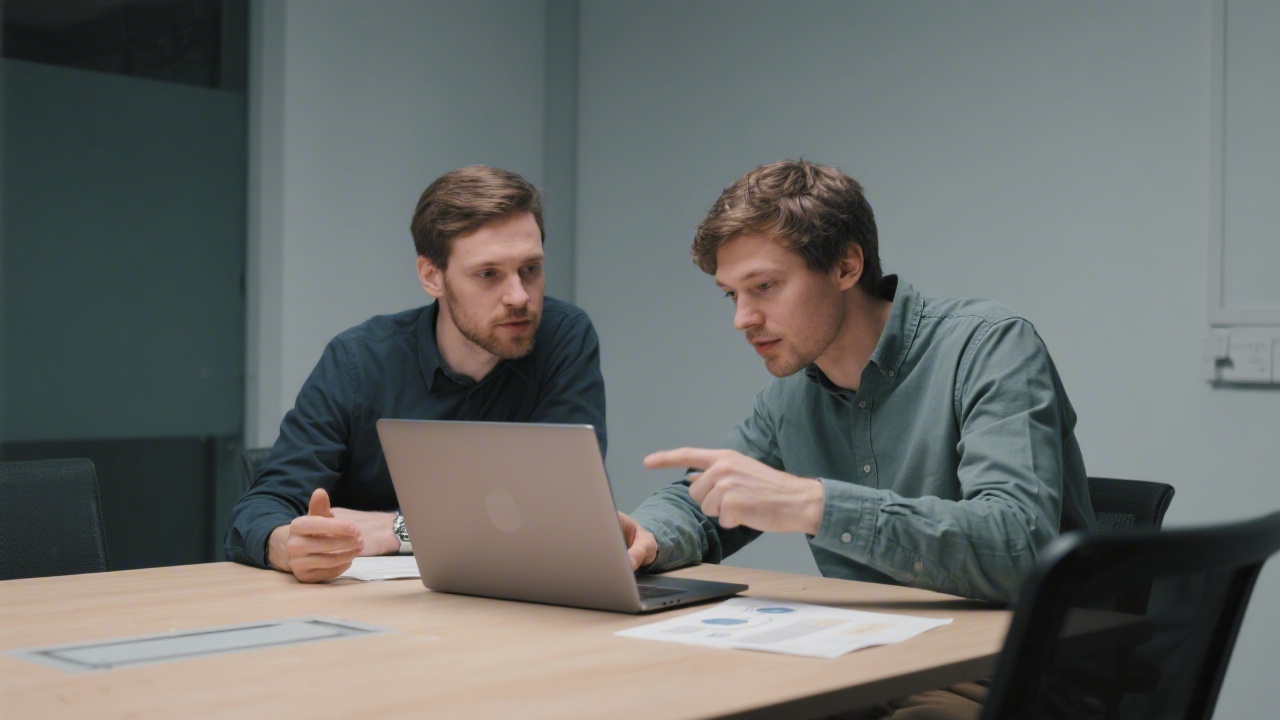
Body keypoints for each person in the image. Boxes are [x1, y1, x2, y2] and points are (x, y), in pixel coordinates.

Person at [618, 159, 1093, 718]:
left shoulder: (989, 347)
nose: (742, 319)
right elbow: (705, 499)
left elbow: (1019, 545)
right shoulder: (793, 393)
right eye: (731, 295)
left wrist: (816, 504)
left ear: (846, 266)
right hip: (861, 661)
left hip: (1001, 670)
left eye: (765, 286)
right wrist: (644, 534)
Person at [226, 165, 606, 583]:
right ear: (432, 276)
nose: (519, 296)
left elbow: (565, 509)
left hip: (510, 605)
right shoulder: (359, 361)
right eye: (488, 274)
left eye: (530, 269)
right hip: (366, 613)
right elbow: (260, 509)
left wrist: (398, 530)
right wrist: (286, 544)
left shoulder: (564, 338)